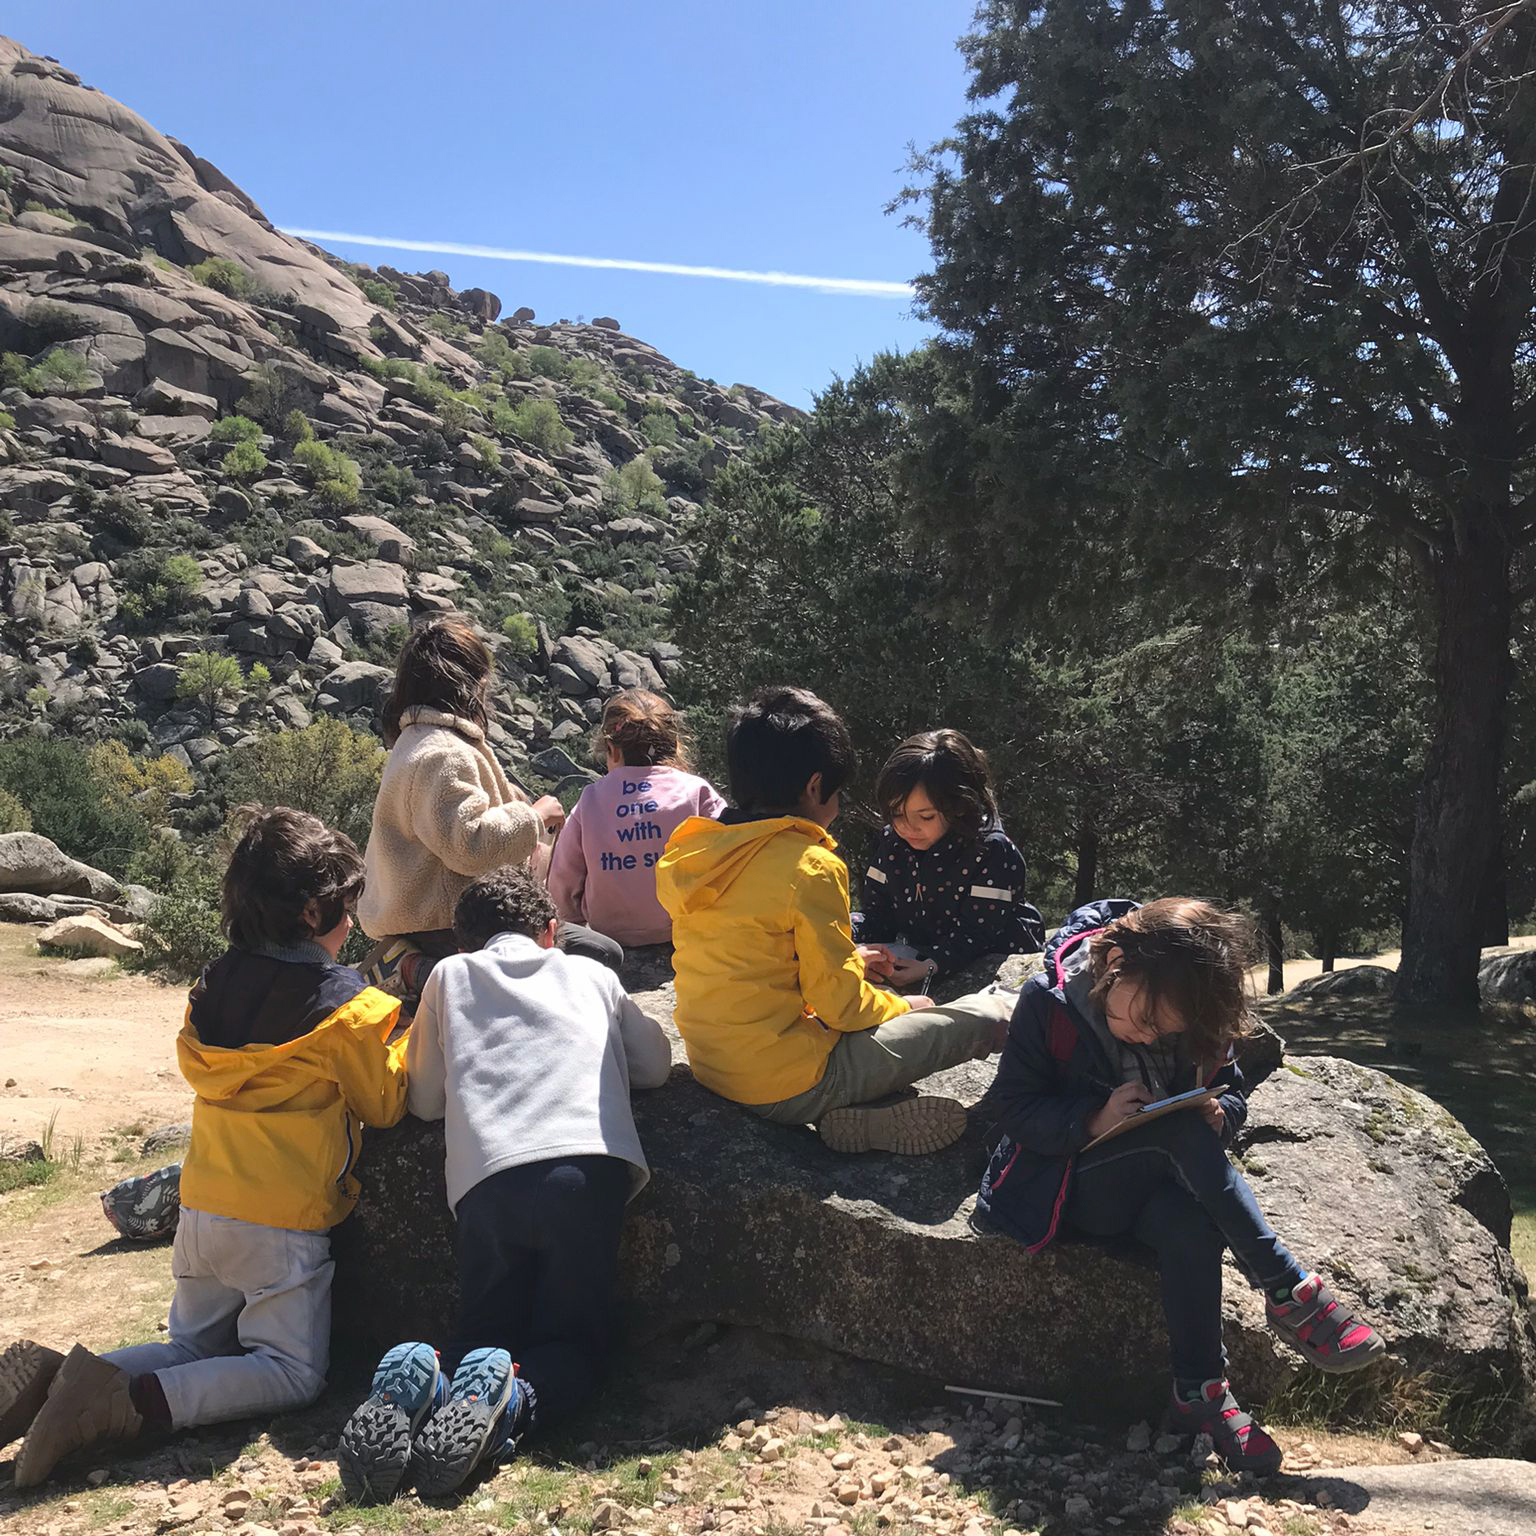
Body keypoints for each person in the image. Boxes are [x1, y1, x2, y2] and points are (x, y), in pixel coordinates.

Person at [1, 808, 408, 1486]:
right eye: (348, 905)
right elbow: (384, 1102)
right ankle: (121, 1405)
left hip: (204, 1210)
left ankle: (52, 1383)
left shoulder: (211, 987)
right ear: (313, 913)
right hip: (282, 1224)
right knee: (291, 1373)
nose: (354, 919)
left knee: (192, 1344)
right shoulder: (348, 1008)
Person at [976, 898, 1385, 1475]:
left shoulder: (1190, 1010)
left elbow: (1231, 1086)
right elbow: (1014, 1108)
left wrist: (1226, 1114)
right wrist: (1095, 1118)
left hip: (1155, 1191)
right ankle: (1290, 1291)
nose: (1145, 1038)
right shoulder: (1050, 1000)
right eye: (1141, 1020)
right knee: (1176, 1131)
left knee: (1190, 1224)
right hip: (1066, 1186)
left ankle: (1199, 1395)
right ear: (1114, 961)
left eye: (1161, 1031)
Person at [337, 867, 670, 1502]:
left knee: (484, 1327)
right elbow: (655, 1066)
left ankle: (431, 1383)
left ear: (463, 943)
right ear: (552, 933)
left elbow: (428, 1100)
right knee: (573, 1339)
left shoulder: (449, 977)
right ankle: (513, 1402)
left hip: (487, 1178)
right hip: (586, 1170)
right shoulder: (593, 974)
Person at [655, 685, 1014, 1156]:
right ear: (814, 787)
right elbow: (841, 1007)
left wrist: (847, 958)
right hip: (786, 1083)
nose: (839, 808)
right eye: (838, 793)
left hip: (712, 1065)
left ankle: (860, 1116)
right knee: (979, 1018)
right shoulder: (809, 863)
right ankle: (845, 1104)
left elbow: (755, 954)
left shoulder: (697, 849)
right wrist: (904, 1008)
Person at [358, 615, 621, 998]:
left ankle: (421, 967)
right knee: (599, 954)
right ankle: (419, 969)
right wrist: (535, 817)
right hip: (447, 923)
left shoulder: (416, 742)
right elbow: (469, 844)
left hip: (427, 916)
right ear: (472, 683)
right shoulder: (443, 753)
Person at [857, 729, 1044, 988]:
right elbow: (877, 916)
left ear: (959, 805)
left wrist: (932, 964)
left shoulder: (990, 851)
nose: (908, 827)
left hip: (992, 957)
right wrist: (844, 936)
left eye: (926, 817)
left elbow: (978, 935)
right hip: (921, 951)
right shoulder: (892, 843)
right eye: (897, 814)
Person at [548, 689, 726, 947]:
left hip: (608, 934)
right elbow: (729, 852)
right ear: (676, 745)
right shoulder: (695, 791)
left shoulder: (591, 799)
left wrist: (572, 925)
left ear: (612, 750)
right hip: (683, 928)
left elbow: (564, 877)